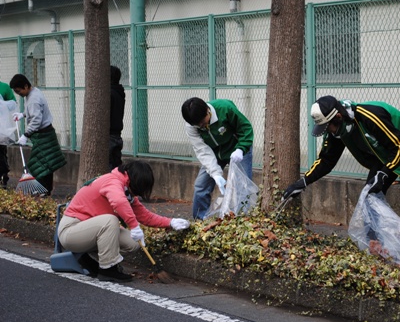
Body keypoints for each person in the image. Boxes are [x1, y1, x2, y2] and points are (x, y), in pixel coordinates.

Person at [283, 95, 400, 228]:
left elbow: (399, 146)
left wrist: (384, 174)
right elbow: (326, 160)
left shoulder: (369, 116)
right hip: (384, 156)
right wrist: (302, 183)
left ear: (339, 117)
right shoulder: (339, 131)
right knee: (369, 200)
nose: (329, 132)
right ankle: (376, 248)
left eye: (329, 127)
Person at [58, 161, 191, 282]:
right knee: (110, 220)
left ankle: (87, 259)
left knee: (133, 243)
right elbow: (119, 201)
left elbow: (145, 216)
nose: (137, 195)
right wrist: (134, 226)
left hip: (89, 231)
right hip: (71, 230)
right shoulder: (113, 181)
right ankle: (107, 270)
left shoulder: (127, 191)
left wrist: (170, 222)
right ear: (134, 181)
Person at [181, 97, 254, 220]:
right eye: (198, 126)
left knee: (242, 186)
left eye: (203, 123)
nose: (202, 127)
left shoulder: (225, 108)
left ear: (207, 110)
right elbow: (202, 150)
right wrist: (215, 174)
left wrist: (241, 148)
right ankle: (200, 221)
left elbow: (245, 128)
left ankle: (242, 220)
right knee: (201, 185)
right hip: (213, 152)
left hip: (237, 149)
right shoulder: (191, 125)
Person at [9, 74, 67, 195]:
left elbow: (36, 120)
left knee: (41, 164)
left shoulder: (34, 98)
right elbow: (32, 111)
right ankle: (44, 189)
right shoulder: (33, 93)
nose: (18, 94)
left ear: (25, 86)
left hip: (43, 135)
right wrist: (23, 114)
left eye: (18, 91)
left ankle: (43, 189)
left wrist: (25, 135)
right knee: (45, 163)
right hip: (44, 133)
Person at [0, 81, 16, 188]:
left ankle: (3, 176)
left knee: (1, 152)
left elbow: (13, 104)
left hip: (2, 127)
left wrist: (3, 104)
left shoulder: (4, 87)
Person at [109, 65, 125, 171]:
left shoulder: (109, 94)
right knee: (116, 167)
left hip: (109, 135)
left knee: (109, 168)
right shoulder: (119, 92)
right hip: (117, 135)